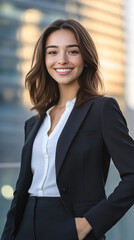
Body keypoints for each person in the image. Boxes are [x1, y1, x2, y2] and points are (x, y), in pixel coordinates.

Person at [1, 19, 134, 240]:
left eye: (72, 51)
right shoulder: (34, 123)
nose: (62, 59)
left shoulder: (102, 110)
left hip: (71, 225)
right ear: (44, 60)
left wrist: (89, 223)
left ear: (86, 57)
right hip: (24, 226)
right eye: (52, 52)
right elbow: (20, 190)